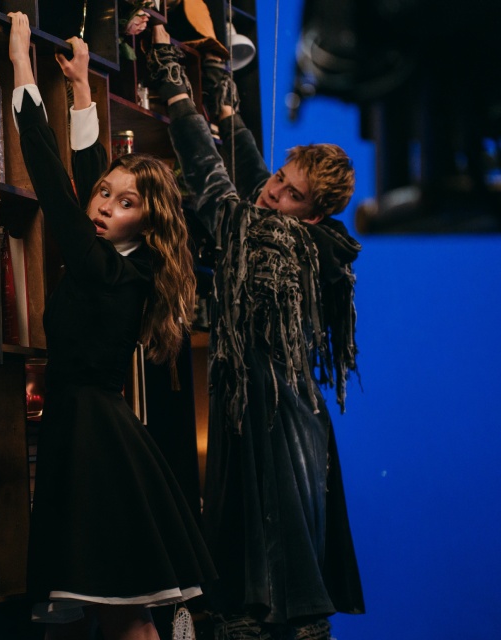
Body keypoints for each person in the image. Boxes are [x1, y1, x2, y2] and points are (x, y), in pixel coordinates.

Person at [145, 24, 365, 640]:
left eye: (292, 195)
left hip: (270, 408)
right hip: (282, 404)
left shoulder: (275, 241)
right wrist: (229, 110)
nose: (274, 194)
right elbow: (254, 179)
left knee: (268, 559)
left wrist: (177, 93)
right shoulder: (314, 240)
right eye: (280, 179)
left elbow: (216, 187)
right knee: (278, 553)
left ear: (313, 214)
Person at [7, 12, 216, 640]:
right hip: (86, 431)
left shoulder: (110, 270)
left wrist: (21, 64)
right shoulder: (117, 258)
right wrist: (79, 87)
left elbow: (52, 179)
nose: (104, 206)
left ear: (147, 223)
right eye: (105, 194)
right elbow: (87, 170)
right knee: (107, 616)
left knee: (126, 621)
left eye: (126, 204)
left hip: (95, 440)